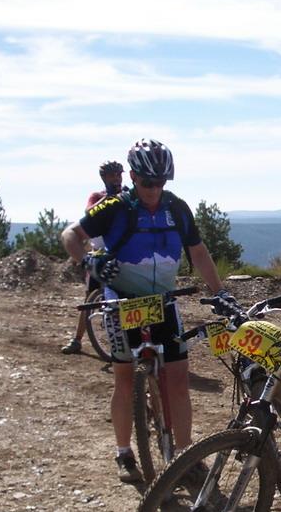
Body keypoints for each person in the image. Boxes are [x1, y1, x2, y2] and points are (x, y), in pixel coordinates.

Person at [61, 140, 238, 483]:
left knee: (179, 380)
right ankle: (124, 451)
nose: (154, 189)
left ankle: (185, 454)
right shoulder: (115, 207)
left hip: (163, 302)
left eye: (161, 182)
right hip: (122, 301)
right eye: (147, 183)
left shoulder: (177, 208)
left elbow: (198, 252)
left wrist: (220, 293)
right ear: (133, 177)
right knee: (125, 379)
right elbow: (70, 234)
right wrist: (88, 261)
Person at [61, 161, 127, 355]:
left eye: (119, 175)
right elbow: (89, 212)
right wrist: (109, 198)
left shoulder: (127, 194)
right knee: (90, 299)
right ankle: (77, 340)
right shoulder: (97, 196)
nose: (116, 178)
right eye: (112, 175)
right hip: (99, 254)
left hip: (121, 253)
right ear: (104, 178)